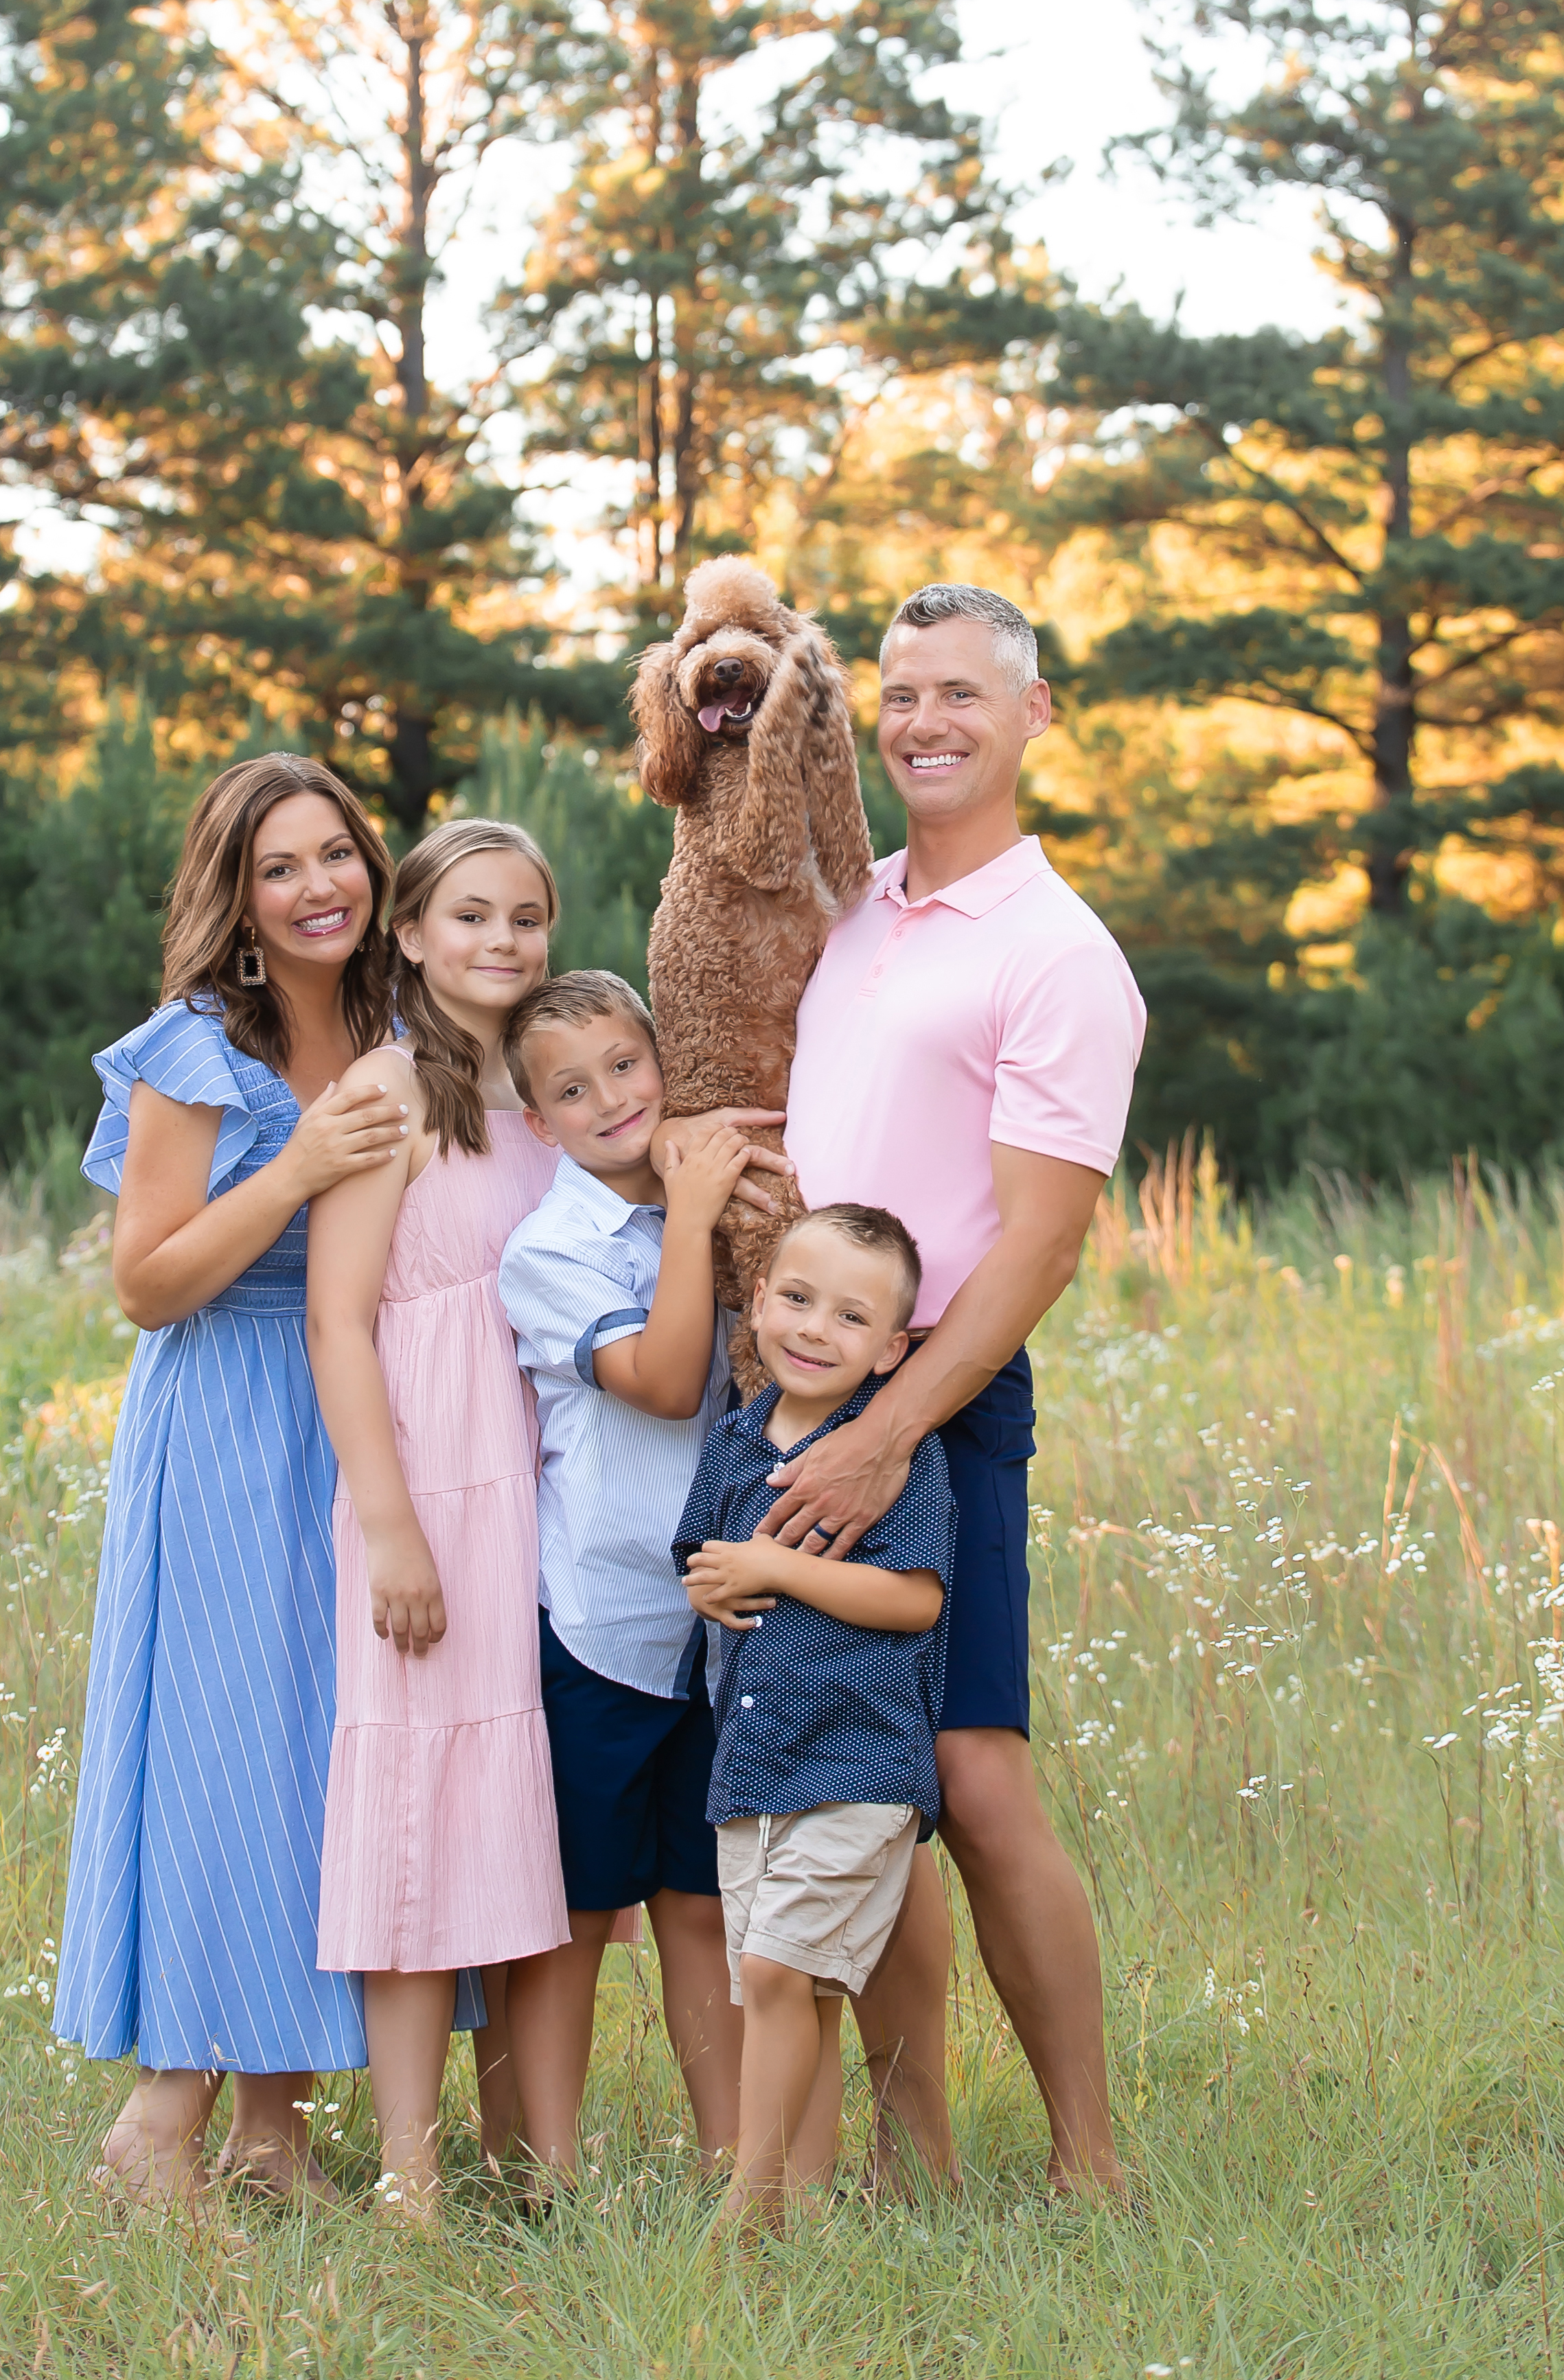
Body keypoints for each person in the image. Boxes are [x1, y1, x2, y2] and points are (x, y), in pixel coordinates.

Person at [756, 582, 1147, 2202]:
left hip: (933, 1401)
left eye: (959, 695)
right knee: (862, 1780)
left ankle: (1089, 2164)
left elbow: (1038, 1246)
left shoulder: (1059, 956)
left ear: (1031, 717)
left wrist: (886, 1432)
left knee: (978, 1778)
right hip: (804, 1389)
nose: (922, 721)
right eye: (898, 693)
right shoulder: (860, 913)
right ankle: (910, 2161)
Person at [54, 754, 415, 2207]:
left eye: (337, 853)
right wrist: (293, 1166)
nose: (319, 885)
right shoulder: (195, 1046)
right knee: (223, 1754)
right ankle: (157, 2127)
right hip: (221, 1417)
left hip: (359, 1412)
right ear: (236, 897)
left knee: (319, 1757)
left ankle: (275, 2125)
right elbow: (144, 1284)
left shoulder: (398, 1022)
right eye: (281, 867)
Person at [306, 822, 573, 2221]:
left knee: (508, 1812)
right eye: (470, 914)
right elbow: (337, 1323)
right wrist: (390, 1525)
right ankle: (408, 2175)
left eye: (526, 917)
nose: (503, 942)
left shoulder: (552, 1092)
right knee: (414, 1808)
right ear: (406, 931)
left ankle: (518, 2157)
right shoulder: (387, 1089)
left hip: (540, 1489)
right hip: (424, 1483)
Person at [494, 970, 754, 2181]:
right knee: (575, 1913)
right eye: (570, 1088)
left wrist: (705, 1204)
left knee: (699, 1903)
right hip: (599, 1624)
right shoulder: (549, 1249)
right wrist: (692, 1219)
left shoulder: (714, 1200)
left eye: (624, 1064)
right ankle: (545, 2174)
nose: (609, 1098)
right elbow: (658, 1377)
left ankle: (732, 2162)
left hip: (719, 1626)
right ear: (536, 1121)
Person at [674, 1205, 954, 2233]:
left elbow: (916, 1598)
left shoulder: (896, 1459)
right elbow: (702, 1561)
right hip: (752, 1766)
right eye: (795, 1298)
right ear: (755, 1305)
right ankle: (802, 2203)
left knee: (774, 1969)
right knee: (797, 1994)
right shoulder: (735, 1443)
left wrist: (780, 1566)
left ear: (892, 1349)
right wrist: (713, 1586)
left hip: (856, 1764)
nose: (812, 1327)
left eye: (848, 1315)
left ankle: (744, 2207)